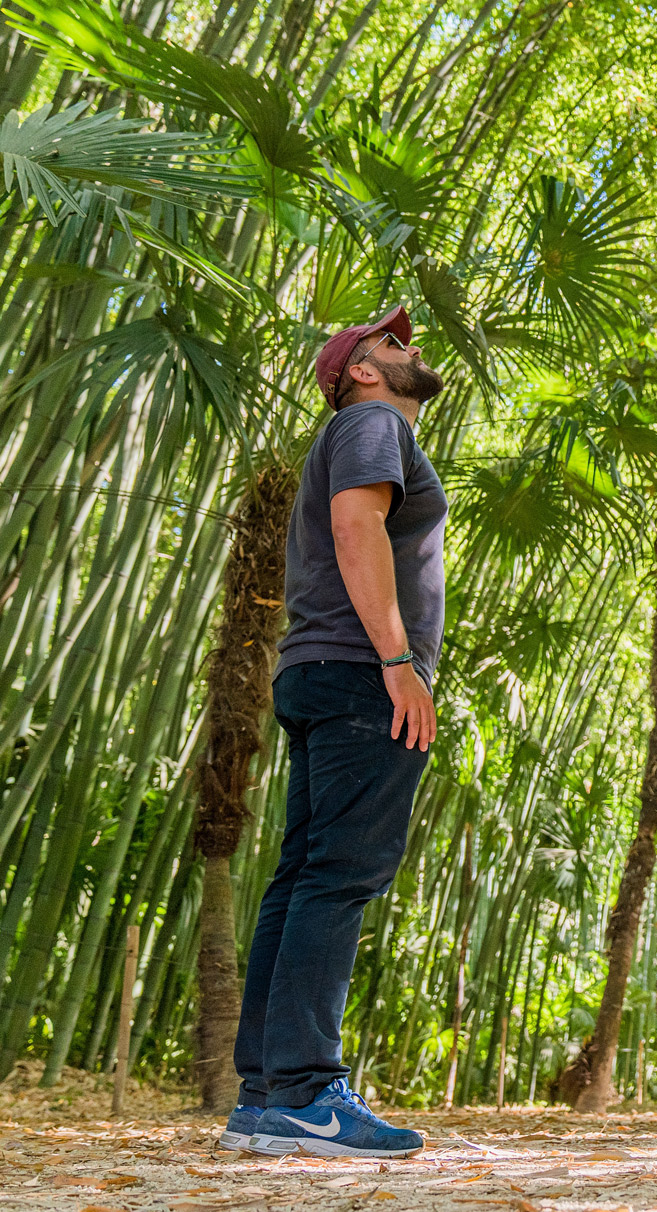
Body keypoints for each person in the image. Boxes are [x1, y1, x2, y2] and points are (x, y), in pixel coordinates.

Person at [220, 304, 448, 1159]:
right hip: (359, 673)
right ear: (360, 368)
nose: (410, 347)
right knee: (339, 875)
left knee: (303, 877)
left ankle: (268, 1094)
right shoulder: (371, 426)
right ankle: (309, 1093)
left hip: (319, 670)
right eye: (393, 343)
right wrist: (398, 661)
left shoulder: (362, 428)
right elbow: (357, 527)